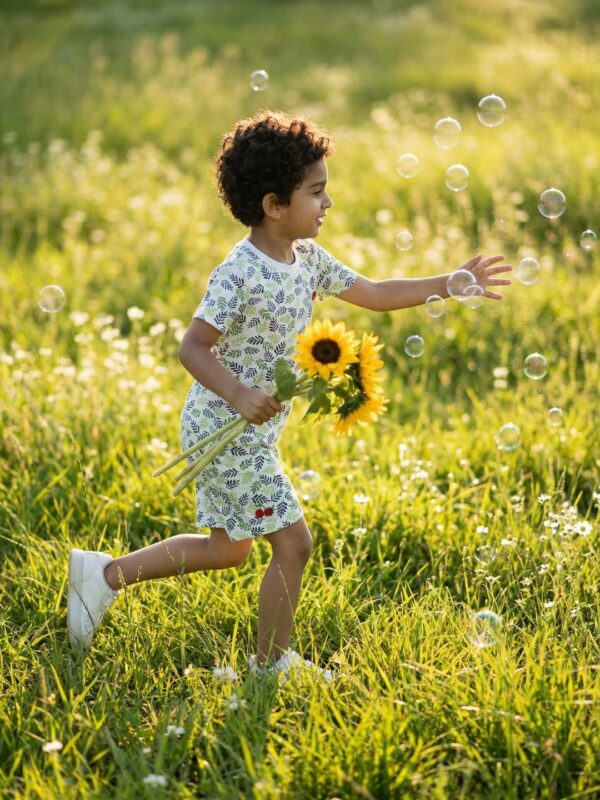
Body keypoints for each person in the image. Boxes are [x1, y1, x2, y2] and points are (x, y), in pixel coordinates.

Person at [67, 111, 511, 678]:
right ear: (275, 204)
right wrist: (238, 394)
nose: (328, 203)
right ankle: (270, 664)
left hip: (251, 428)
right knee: (293, 544)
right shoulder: (240, 271)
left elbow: (374, 292)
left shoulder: (308, 261)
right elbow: (193, 347)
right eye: (316, 192)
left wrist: (447, 283)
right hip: (224, 424)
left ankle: (103, 576)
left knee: (228, 549)